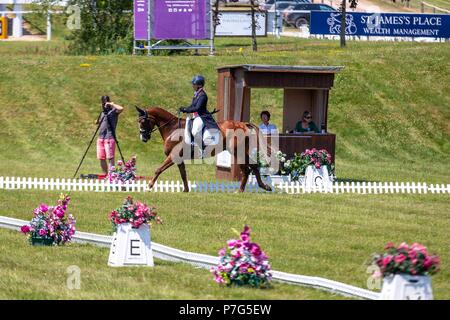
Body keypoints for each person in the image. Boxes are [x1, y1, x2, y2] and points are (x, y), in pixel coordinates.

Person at [179, 75, 219, 157]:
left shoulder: (203, 95)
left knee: (195, 131)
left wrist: (186, 110)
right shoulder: (196, 94)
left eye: (194, 84)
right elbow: (192, 105)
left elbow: (197, 108)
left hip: (201, 116)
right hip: (196, 116)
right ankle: (192, 144)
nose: (192, 85)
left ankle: (203, 149)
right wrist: (184, 108)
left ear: (199, 85)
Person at [95, 95, 124, 174]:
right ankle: (105, 175)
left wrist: (111, 104)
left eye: (105, 102)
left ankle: (111, 176)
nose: (104, 104)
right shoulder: (102, 112)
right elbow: (97, 122)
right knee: (101, 158)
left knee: (110, 158)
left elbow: (121, 108)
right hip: (101, 138)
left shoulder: (114, 111)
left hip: (109, 137)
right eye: (103, 102)